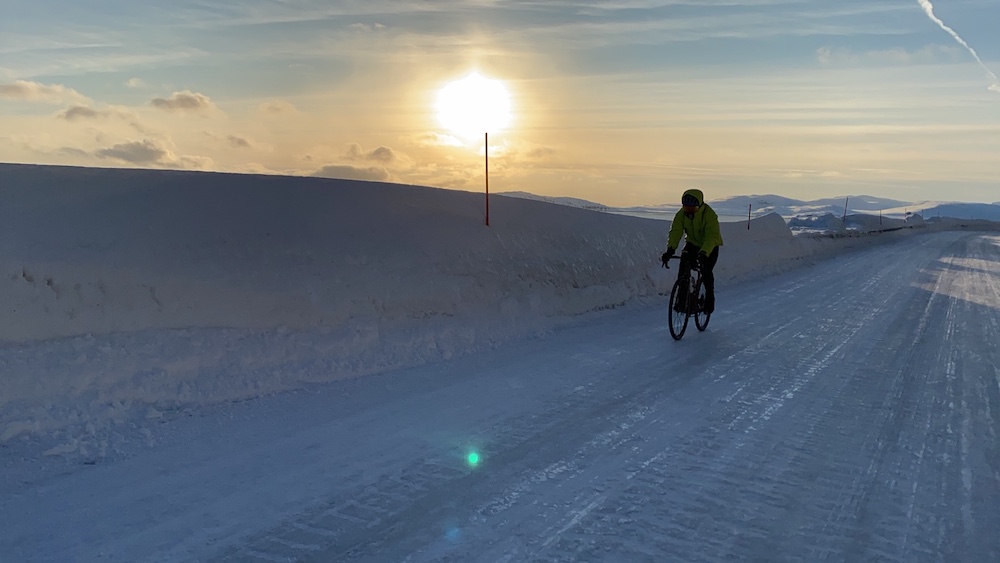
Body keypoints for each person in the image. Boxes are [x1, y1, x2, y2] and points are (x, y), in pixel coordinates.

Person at [660, 188, 723, 314]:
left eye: (692, 208)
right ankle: (682, 301)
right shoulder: (681, 215)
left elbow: (711, 237)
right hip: (692, 244)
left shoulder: (709, 215)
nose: (688, 211)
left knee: (706, 272)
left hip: (710, 246)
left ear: (699, 206)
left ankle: (710, 300)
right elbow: (676, 232)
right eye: (686, 208)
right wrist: (670, 249)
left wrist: (704, 253)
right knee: (683, 268)